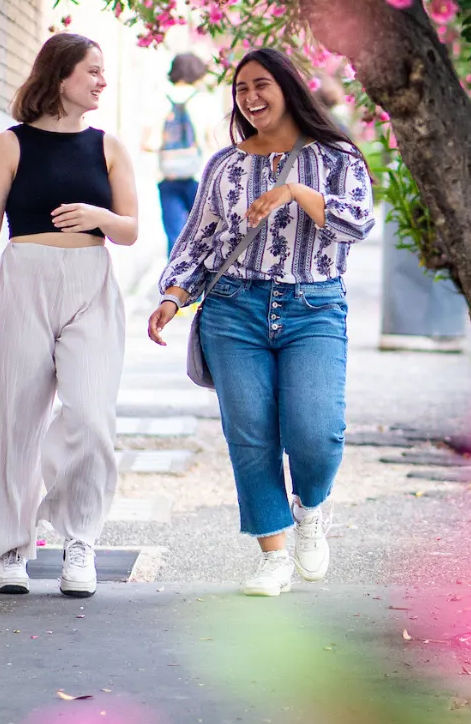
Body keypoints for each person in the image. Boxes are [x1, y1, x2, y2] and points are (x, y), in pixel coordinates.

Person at [146, 48, 376, 596]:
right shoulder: (225, 166)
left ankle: (311, 507)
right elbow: (199, 242)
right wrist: (174, 298)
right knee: (249, 437)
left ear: (288, 87)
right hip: (233, 309)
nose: (250, 98)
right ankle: (273, 557)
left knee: (316, 434)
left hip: (314, 306)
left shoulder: (339, 158)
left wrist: (296, 192)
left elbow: (357, 224)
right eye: (241, 89)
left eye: (261, 85)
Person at [0, 33, 140, 597]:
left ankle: (79, 539)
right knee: (15, 419)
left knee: (91, 415)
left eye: (103, 71)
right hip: (22, 282)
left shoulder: (109, 147)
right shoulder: (9, 145)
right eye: (92, 71)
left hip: (91, 281)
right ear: (60, 74)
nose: (101, 81)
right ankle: (13, 549)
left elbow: (131, 230)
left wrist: (98, 214)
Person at [151, 53, 216, 255]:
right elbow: (213, 141)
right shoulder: (205, 100)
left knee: (174, 234)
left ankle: (174, 280)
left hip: (167, 175)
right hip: (199, 176)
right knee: (202, 232)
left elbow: (148, 142)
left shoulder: (159, 98)